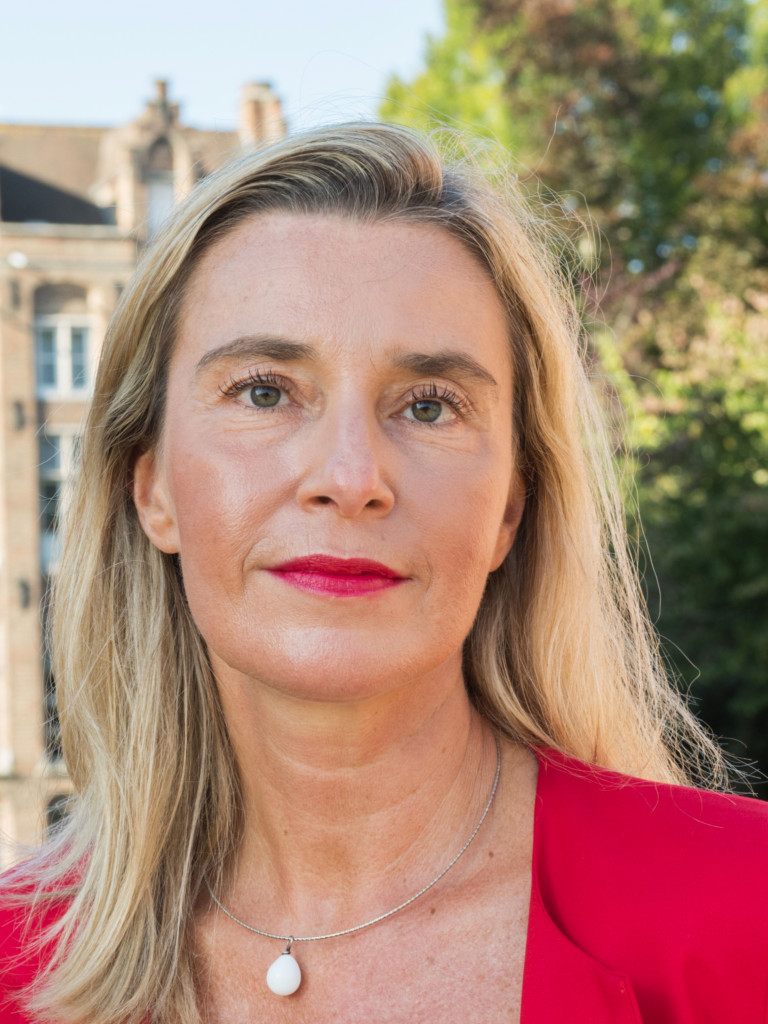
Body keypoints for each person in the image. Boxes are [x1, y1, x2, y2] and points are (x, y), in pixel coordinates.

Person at [1, 123, 766, 1024]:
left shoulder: (743, 918)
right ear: (152, 486)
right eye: (263, 391)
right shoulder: (19, 962)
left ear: (510, 510)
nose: (350, 478)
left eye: (429, 405)